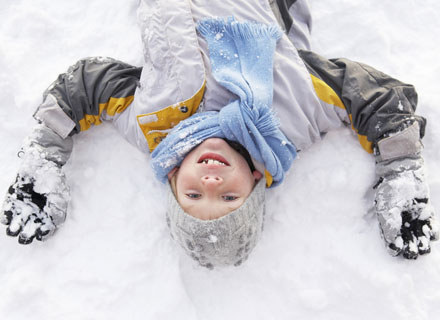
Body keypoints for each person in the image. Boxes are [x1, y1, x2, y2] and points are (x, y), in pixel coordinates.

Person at [1, 0, 438, 268]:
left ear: (173, 181)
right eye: (229, 199)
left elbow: (84, 85)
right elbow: (378, 96)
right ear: (254, 181)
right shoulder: (295, 115)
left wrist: (43, 156)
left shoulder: (149, 124)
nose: (211, 184)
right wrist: (401, 172)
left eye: (194, 198)